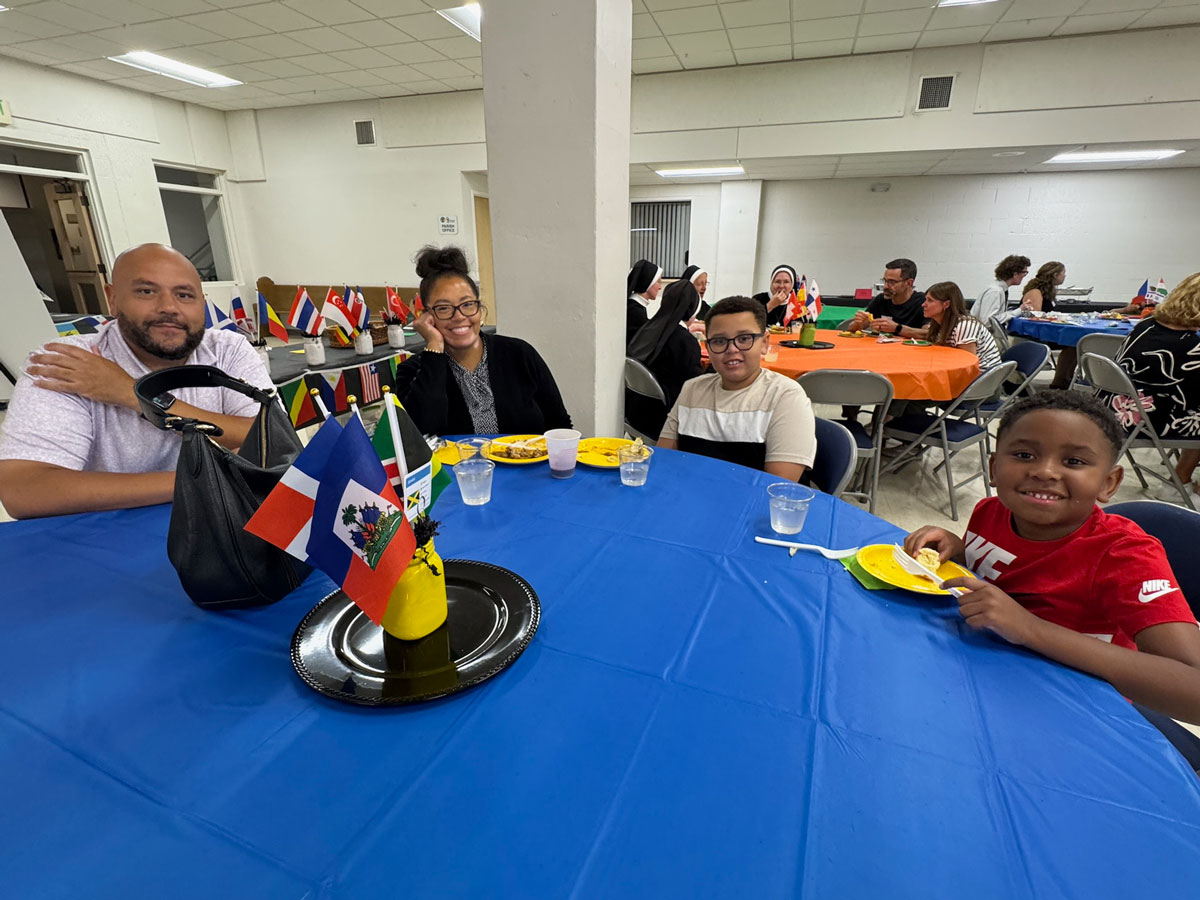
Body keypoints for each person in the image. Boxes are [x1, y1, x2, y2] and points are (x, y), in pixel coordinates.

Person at [904, 391, 1200, 735]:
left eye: (1073, 461)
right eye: (1024, 455)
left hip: (1074, 712)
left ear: (1109, 483)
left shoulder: (1123, 555)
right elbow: (1004, 577)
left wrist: (1029, 628)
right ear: (994, 468)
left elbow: (1193, 690)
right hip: (984, 677)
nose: (1044, 471)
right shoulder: (991, 511)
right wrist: (959, 551)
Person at [0, 243, 272, 519]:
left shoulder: (227, 349)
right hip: (109, 531)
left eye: (184, 295)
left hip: (220, 521)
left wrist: (134, 395)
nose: (169, 307)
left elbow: (271, 441)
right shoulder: (68, 363)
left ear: (202, 303)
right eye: (146, 291)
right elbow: (24, 490)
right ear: (113, 299)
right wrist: (205, 478)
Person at [397, 245, 571, 437]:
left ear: (479, 308)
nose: (459, 316)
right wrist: (434, 347)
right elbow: (421, 437)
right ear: (427, 316)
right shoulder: (412, 371)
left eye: (467, 304)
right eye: (443, 308)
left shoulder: (519, 354)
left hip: (531, 458)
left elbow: (560, 426)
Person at [658, 295, 815, 480]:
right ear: (708, 348)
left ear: (764, 343)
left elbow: (777, 487)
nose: (732, 349)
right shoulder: (692, 389)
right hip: (693, 491)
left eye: (744, 338)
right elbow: (663, 462)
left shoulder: (786, 397)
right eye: (719, 341)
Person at [1107, 272, 1200, 498]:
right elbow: (1190, 397)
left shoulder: (1147, 325)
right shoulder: (1191, 346)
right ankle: (1179, 483)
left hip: (1113, 407)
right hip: (1144, 419)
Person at [625, 280, 705, 439]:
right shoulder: (685, 341)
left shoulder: (648, 329)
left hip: (635, 412)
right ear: (693, 308)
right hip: (664, 421)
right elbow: (695, 385)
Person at [1018, 261, 1075, 388]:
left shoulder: (1047, 291)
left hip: (1043, 332)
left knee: (1074, 341)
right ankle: (1060, 382)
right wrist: (1050, 317)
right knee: (1073, 343)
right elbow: (1031, 315)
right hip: (1033, 335)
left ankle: (1065, 379)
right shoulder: (1036, 291)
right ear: (1055, 275)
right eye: (1063, 273)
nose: (1065, 276)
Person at [924, 282, 1002, 371]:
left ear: (946, 304)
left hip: (982, 374)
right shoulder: (940, 323)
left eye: (930, 300)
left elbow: (967, 365)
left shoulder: (965, 325)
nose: (923, 304)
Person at [847, 258, 928, 338]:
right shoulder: (881, 300)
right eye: (885, 281)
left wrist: (897, 328)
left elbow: (928, 334)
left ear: (909, 283)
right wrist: (858, 323)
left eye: (892, 282)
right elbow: (853, 329)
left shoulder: (923, 302)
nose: (885, 286)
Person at [973, 254, 1030, 325]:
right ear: (1015, 274)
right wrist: (1019, 310)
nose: (1025, 275)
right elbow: (987, 321)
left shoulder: (1000, 290)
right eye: (1024, 272)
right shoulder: (995, 291)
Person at [627, 259, 663, 346]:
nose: (660, 287)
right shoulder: (634, 310)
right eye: (658, 282)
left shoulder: (637, 306)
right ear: (648, 282)